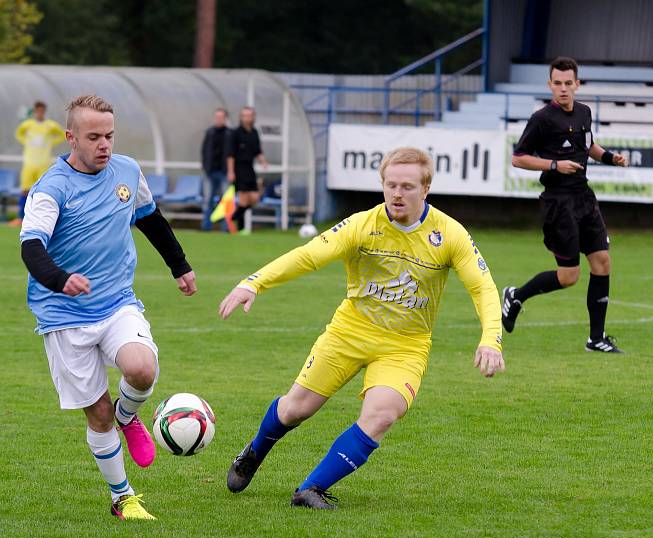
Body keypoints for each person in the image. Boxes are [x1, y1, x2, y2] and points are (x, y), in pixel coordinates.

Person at [219, 147, 505, 509]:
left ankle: (310, 489)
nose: (397, 194)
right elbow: (309, 256)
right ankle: (254, 452)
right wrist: (254, 282)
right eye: (390, 185)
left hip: (405, 344)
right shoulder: (361, 225)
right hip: (349, 332)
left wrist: (490, 338)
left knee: (382, 413)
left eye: (407, 186)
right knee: (295, 409)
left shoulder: (449, 234)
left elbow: (482, 287)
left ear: (426, 189)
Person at [19, 94, 197, 520]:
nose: (104, 145)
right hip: (63, 315)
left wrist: (180, 266)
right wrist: (61, 279)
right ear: (71, 138)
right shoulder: (51, 189)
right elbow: (30, 248)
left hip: (116, 301)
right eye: (94, 136)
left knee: (142, 369)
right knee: (96, 413)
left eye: (110, 136)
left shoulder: (127, 171)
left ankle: (128, 416)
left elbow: (150, 218)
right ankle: (123, 497)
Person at [502, 56, 629, 353]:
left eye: (568, 83)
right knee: (569, 276)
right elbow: (518, 157)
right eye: (557, 83)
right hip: (558, 203)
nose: (562, 89)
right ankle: (516, 295)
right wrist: (554, 165)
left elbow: (589, 146)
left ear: (577, 84)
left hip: (584, 197)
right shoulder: (542, 119)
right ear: (550, 85)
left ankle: (596, 339)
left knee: (602, 262)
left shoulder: (584, 112)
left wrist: (610, 157)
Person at [11, 101, 65, 226]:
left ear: (44, 112)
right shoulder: (27, 124)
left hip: (43, 163)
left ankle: (39, 219)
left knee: (42, 191)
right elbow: (18, 134)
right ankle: (21, 217)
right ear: (35, 111)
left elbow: (62, 135)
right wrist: (25, 141)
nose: (40, 113)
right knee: (25, 190)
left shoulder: (50, 125)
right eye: (38, 110)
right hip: (29, 163)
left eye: (42, 111)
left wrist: (51, 142)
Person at [226, 106, 268, 233]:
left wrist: (263, 161)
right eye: (245, 115)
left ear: (253, 117)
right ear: (241, 117)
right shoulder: (235, 133)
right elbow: (231, 155)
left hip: (250, 168)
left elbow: (257, 151)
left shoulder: (254, 132)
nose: (247, 118)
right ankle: (241, 229)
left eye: (250, 115)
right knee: (243, 198)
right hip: (239, 168)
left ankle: (234, 216)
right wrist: (231, 171)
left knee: (255, 198)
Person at [200, 107, 231, 231]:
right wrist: (205, 165)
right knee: (208, 200)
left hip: (224, 172)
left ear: (225, 118)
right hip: (209, 171)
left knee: (225, 201)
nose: (219, 119)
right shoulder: (209, 132)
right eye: (217, 117)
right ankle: (206, 226)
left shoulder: (230, 133)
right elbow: (204, 150)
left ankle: (226, 227)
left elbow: (231, 153)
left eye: (221, 117)